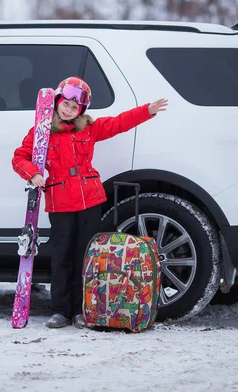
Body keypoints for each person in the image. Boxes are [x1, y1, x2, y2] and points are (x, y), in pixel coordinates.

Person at [12, 76, 168, 329]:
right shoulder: (41, 130)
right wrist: (34, 172)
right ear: (57, 101)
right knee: (61, 256)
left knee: (86, 257)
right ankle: (61, 310)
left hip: (90, 200)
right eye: (66, 104)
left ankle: (82, 310)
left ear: (81, 111)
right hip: (60, 202)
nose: (69, 110)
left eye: (75, 108)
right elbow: (19, 157)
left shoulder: (89, 128)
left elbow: (119, 123)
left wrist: (146, 111)